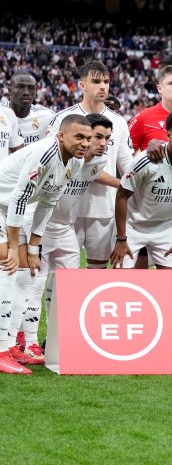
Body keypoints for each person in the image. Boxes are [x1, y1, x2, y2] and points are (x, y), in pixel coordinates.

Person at [0, 115, 90, 374]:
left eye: (87, 138)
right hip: (3, 205)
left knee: (27, 275)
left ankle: (11, 345)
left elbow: (48, 202)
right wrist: (17, 245)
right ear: (61, 136)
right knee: (8, 265)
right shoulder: (45, 154)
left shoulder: (74, 162)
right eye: (78, 137)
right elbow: (19, 197)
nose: (84, 143)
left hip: (10, 210)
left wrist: (32, 249)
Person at [51, 61, 134, 269]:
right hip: (66, 208)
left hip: (103, 206)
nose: (103, 86)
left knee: (97, 270)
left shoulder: (119, 122)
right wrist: (121, 184)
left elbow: (128, 164)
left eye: (106, 81)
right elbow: (53, 161)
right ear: (82, 85)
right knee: (60, 272)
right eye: (96, 81)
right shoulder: (63, 118)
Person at [110, 111, 172, 270]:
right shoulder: (147, 160)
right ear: (168, 135)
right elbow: (121, 196)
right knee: (122, 278)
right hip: (133, 226)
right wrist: (121, 239)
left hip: (164, 227)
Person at [1, 71, 55, 146]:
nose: (26, 92)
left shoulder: (47, 117)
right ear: (10, 90)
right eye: (20, 87)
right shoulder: (2, 113)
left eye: (31, 88)